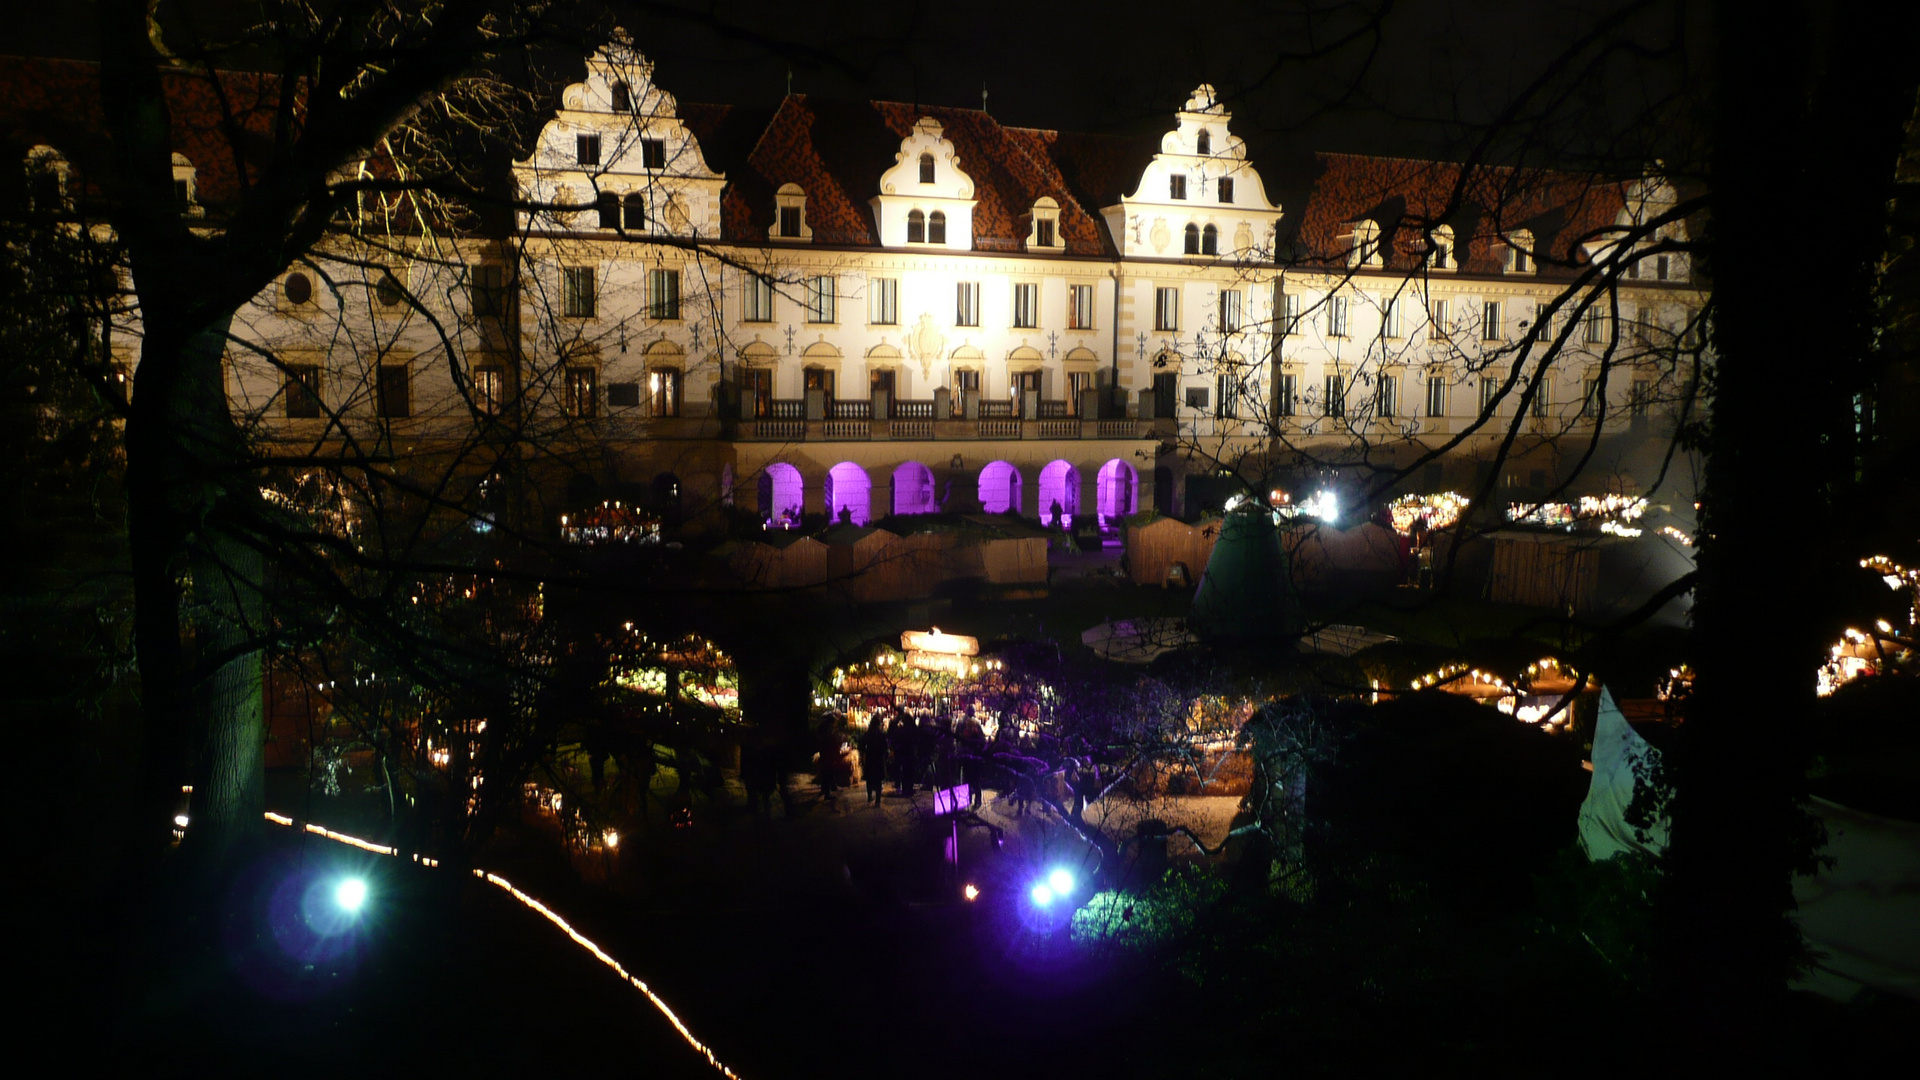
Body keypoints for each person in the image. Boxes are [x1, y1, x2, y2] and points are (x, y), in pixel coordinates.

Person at [858, 715, 889, 805]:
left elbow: (861, 745)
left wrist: (863, 754)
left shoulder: (868, 734)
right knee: (878, 779)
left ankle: (869, 795)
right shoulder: (882, 734)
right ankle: (878, 799)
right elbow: (885, 747)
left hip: (870, 757)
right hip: (879, 758)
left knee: (869, 778)